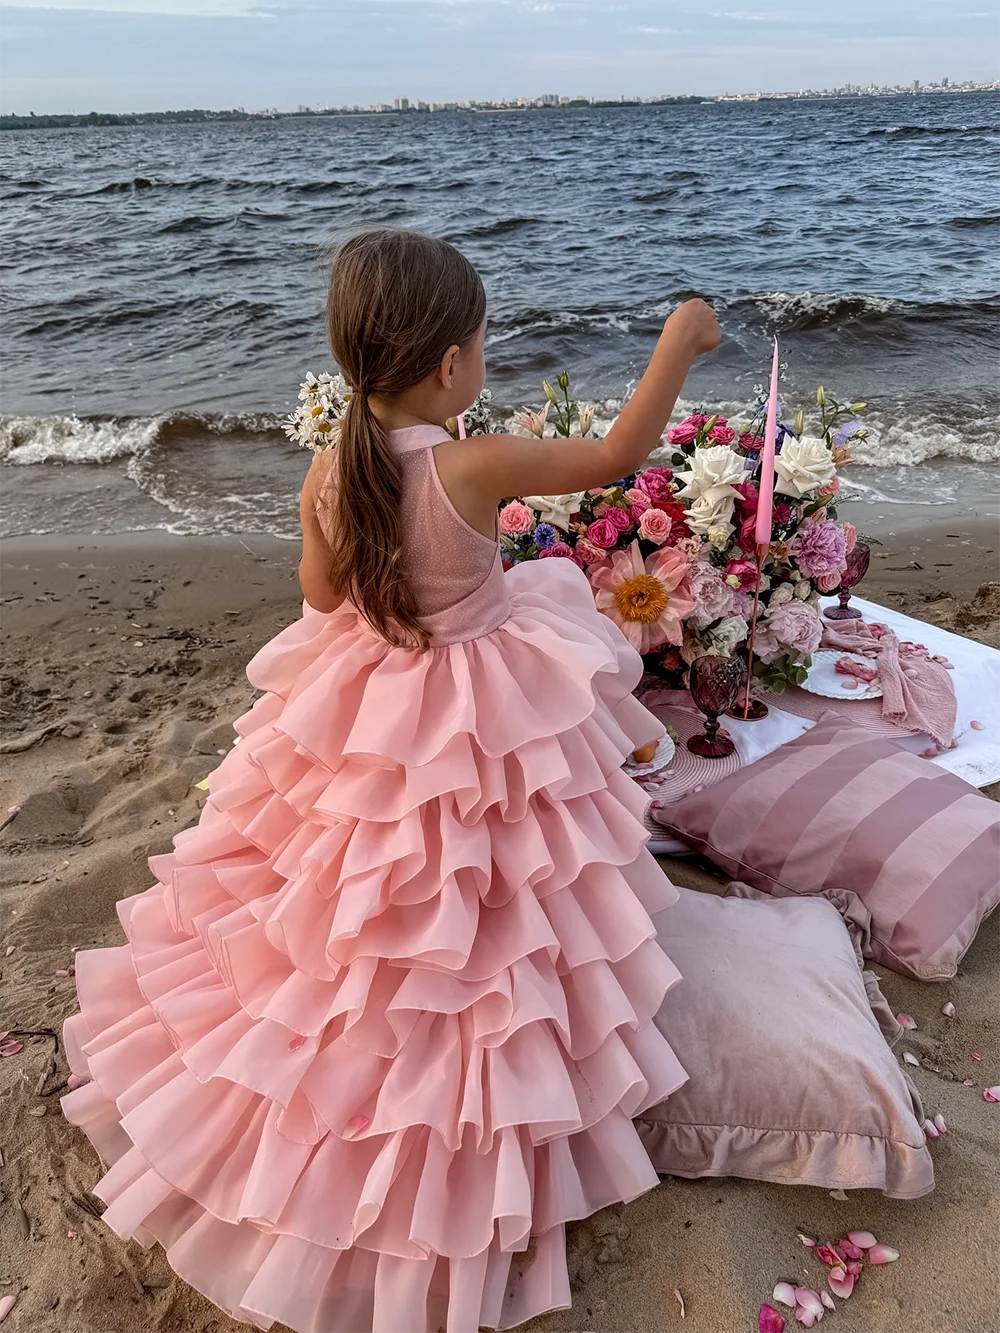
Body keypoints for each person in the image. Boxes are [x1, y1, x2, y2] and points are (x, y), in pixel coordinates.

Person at [62, 229, 721, 1333]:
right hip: (476, 695)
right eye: (478, 347)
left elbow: (322, 600)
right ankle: (496, 1052)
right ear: (450, 365)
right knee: (498, 869)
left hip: (378, 687)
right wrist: (680, 340)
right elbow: (614, 456)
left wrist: (392, 605)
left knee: (354, 875)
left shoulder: (332, 468)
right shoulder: (471, 463)